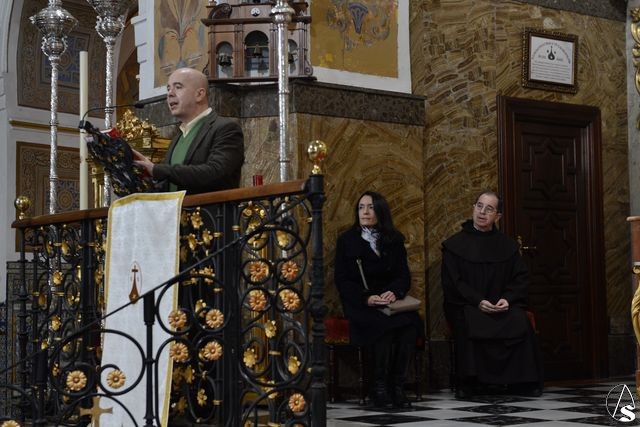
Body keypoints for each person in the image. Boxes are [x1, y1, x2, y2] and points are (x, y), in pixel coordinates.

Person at [441, 191, 542, 399]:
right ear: (473, 208)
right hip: (468, 304)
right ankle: (473, 383)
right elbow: (453, 283)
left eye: (489, 209)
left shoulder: (508, 246)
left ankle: (520, 381)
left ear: (498, 216)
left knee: (519, 318)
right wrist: (478, 301)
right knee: (470, 319)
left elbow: (520, 278)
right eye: (479, 206)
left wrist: (508, 299)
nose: (482, 212)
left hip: (501, 304)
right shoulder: (454, 245)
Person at [334, 191, 423, 409]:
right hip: (361, 303)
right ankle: (378, 387)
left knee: (411, 324)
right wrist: (366, 298)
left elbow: (403, 275)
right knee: (383, 327)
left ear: (381, 211)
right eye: (361, 207)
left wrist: (394, 291)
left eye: (371, 207)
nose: (365, 212)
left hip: (389, 302)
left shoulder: (394, 239)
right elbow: (342, 280)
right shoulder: (347, 240)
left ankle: (397, 386)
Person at [133, 67, 244, 194]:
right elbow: (169, 185)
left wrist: (157, 170)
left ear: (199, 94)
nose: (170, 94)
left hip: (210, 207)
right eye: (168, 89)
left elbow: (215, 172)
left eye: (178, 87)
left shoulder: (225, 129)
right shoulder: (177, 137)